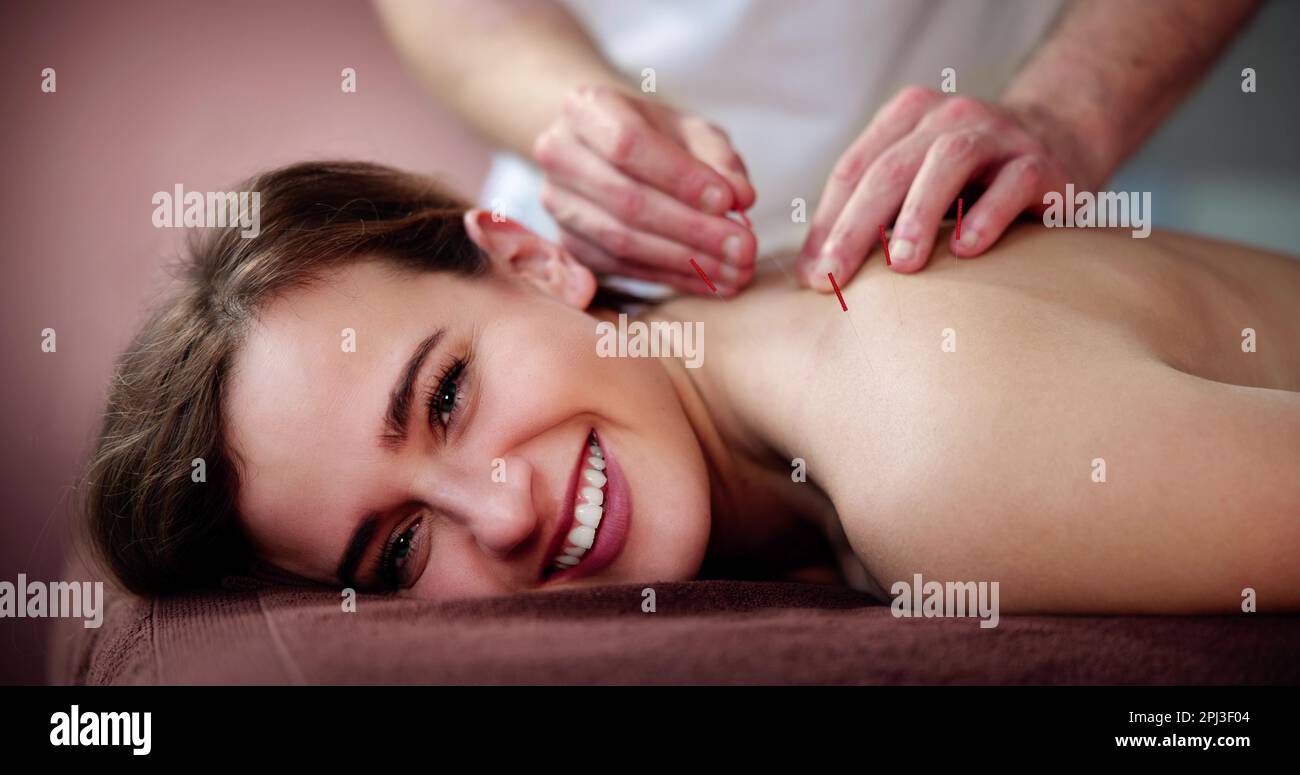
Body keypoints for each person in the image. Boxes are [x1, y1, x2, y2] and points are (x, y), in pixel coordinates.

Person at [82, 161, 1300, 613]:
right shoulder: (778, 361)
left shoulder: (934, 460)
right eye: (397, 551)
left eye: (446, 395)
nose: (504, 516)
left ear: (534, 259)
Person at [374, 0, 1260, 296]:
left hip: (978, 230)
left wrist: (1070, 115)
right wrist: (562, 113)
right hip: (593, 240)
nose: (505, 516)